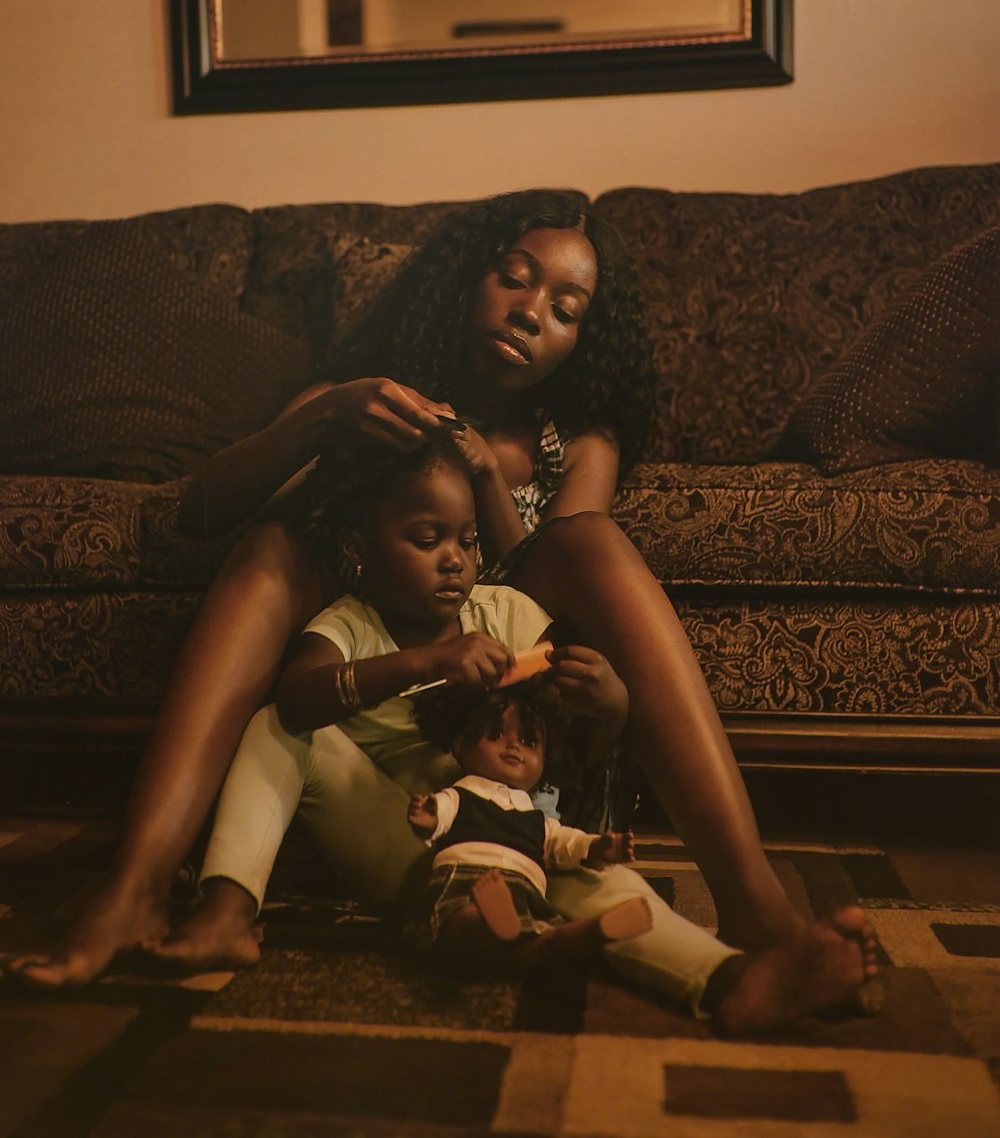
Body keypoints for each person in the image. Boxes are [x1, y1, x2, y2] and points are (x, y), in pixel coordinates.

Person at [3, 189, 844, 989]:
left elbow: (541, 604)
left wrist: (483, 477)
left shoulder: (580, 441)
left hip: (499, 719)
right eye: (514, 276)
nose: (529, 311)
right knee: (269, 542)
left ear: (583, 342)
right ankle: (136, 886)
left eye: (564, 309)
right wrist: (325, 415)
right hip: (357, 684)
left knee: (588, 538)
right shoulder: (365, 393)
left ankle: (754, 908)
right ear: (463, 279)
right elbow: (201, 509)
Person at [140, 435, 877, 1034]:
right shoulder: (349, 626)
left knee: (602, 880)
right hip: (404, 835)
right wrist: (426, 662)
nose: (455, 557)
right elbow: (298, 699)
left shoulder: (507, 614)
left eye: (464, 538)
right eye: (426, 538)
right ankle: (227, 908)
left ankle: (735, 980)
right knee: (276, 726)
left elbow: (571, 755)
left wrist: (611, 705)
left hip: (522, 835)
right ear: (359, 546)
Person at [406, 676, 653, 972]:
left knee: (526, 942)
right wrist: (428, 816)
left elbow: (564, 843)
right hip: (465, 874)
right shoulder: (462, 794)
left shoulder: (537, 818)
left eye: (528, 741)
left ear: (547, 759)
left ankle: (575, 935)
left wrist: (598, 847)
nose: (513, 745)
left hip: (522, 886)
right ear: (460, 745)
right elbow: (442, 812)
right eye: (496, 733)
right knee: (459, 921)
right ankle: (496, 925)